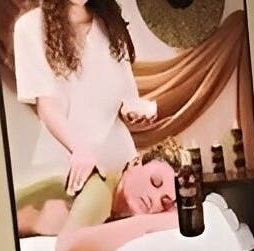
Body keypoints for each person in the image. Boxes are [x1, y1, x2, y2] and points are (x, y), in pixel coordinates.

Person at [13, 0, 159, 195]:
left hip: (119, 163)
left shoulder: (110, 23)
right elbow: (49, 108)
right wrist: (79, 150)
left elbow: (126, 98)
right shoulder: (30, 28)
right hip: (64, 168)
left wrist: (134, 111)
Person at [15, 142, 183, 251]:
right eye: (155, 182)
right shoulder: (101, 185)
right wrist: (152, 222)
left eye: (164, 202)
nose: (154, 199)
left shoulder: (115, 211)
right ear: (136, 162)